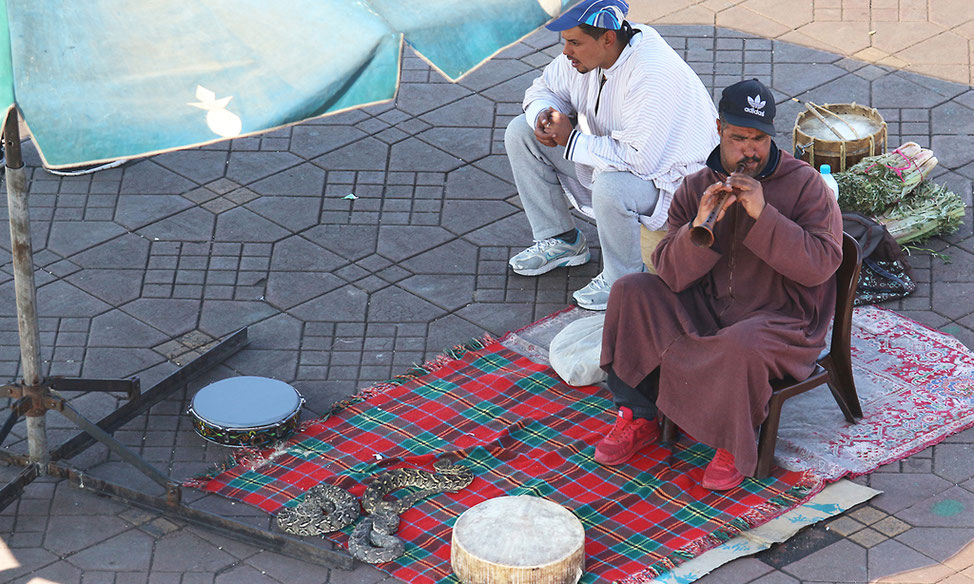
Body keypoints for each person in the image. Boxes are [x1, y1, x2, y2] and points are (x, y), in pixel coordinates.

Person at [595, 79, 843, 490]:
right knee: (631, 291)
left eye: (759, 139)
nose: (750, 150)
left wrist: (765, 216)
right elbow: (670, 275)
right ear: (718, 129)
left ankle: (733, 442)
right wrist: (698, 225)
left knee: (740, 343)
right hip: (709, 308)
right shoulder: (695, 187)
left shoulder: (806, 187)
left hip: (781, 322)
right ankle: (639, 415)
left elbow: (821, 266)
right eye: (739, 138)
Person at [504, 0, 718, 311]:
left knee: (611, 186)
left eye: (574, 42)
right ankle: (563, 241)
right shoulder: (584, 58)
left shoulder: (651, 73)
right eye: (565, 42)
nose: (566, 52)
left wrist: (570, 139)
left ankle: (625, 280)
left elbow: (639, 159)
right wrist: (543, 117)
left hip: (678, 185)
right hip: (624, 159)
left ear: (607, 37)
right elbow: (543, 89)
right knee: (521, 132)